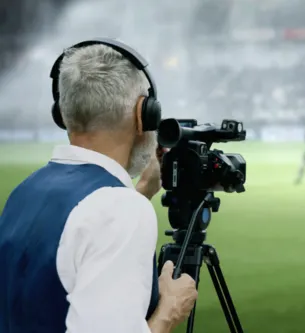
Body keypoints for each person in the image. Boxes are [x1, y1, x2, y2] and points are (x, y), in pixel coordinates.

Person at [0, 40, 197, 333]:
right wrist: (168, 311)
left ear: (62, 112)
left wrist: (140, 192)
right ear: (143, 113)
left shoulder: (25, 191)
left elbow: (74, 238)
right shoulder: (120, 210)